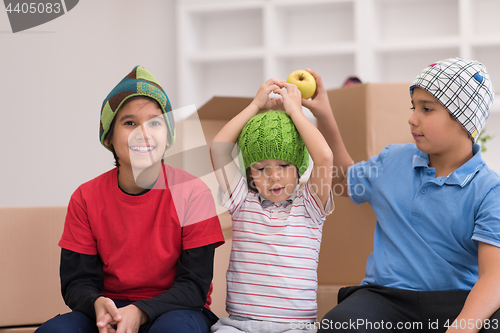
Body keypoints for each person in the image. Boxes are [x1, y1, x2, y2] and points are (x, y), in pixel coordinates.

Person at [301, 58, 500, 333]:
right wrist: (323, 115)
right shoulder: (394, 159)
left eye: (427, 109)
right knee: (339, 326)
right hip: (384, 299)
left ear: (464, 121)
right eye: (414, 107)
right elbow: (343, 180)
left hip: (454, 304)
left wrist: (460, 329)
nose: (412, 118)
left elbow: (494, 277)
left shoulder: (490, 190)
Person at [36, 66, 225, 333]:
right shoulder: (85, 198)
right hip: (109, 312)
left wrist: (141, 312)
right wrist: (97, 304)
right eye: (129, 122)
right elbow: (77, 282)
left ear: (168, 136)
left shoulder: (194, 192)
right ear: (109, 137)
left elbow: (194, 285)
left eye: (155, 122)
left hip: (177, 310)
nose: (143, 133)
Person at [209, 78, 334, 333]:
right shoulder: (242, 201)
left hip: (296, 327)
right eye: (262, 168)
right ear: (250, 174)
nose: (274, 176)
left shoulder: (309, 206)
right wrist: (255, 105)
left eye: (284, 166)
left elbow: (324, 157)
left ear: (299, 166)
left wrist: (296, 113)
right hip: (240, 325)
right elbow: (218, 148)